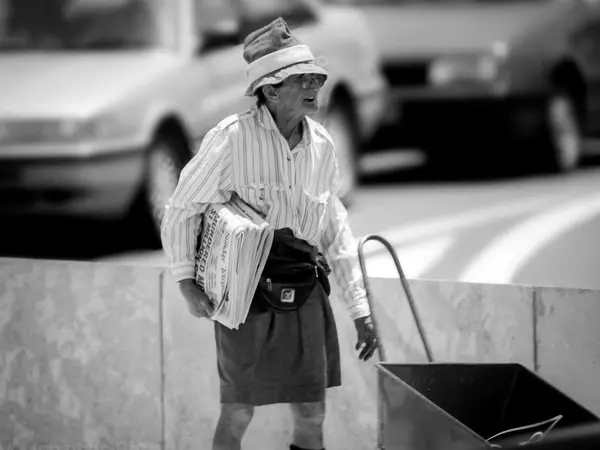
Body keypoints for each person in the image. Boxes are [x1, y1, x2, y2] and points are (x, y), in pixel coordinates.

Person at [161, 17, 378, 450]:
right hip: (245, 290)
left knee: (312, 412)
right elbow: (182, 208)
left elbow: (333, 225)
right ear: (271, 90)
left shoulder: (322, 145)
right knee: (238, 411)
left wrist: (359, 306)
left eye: (316, 77)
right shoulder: (230, 139)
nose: (314, 85)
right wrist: (186, 282)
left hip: (305, 287)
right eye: (302, 79)